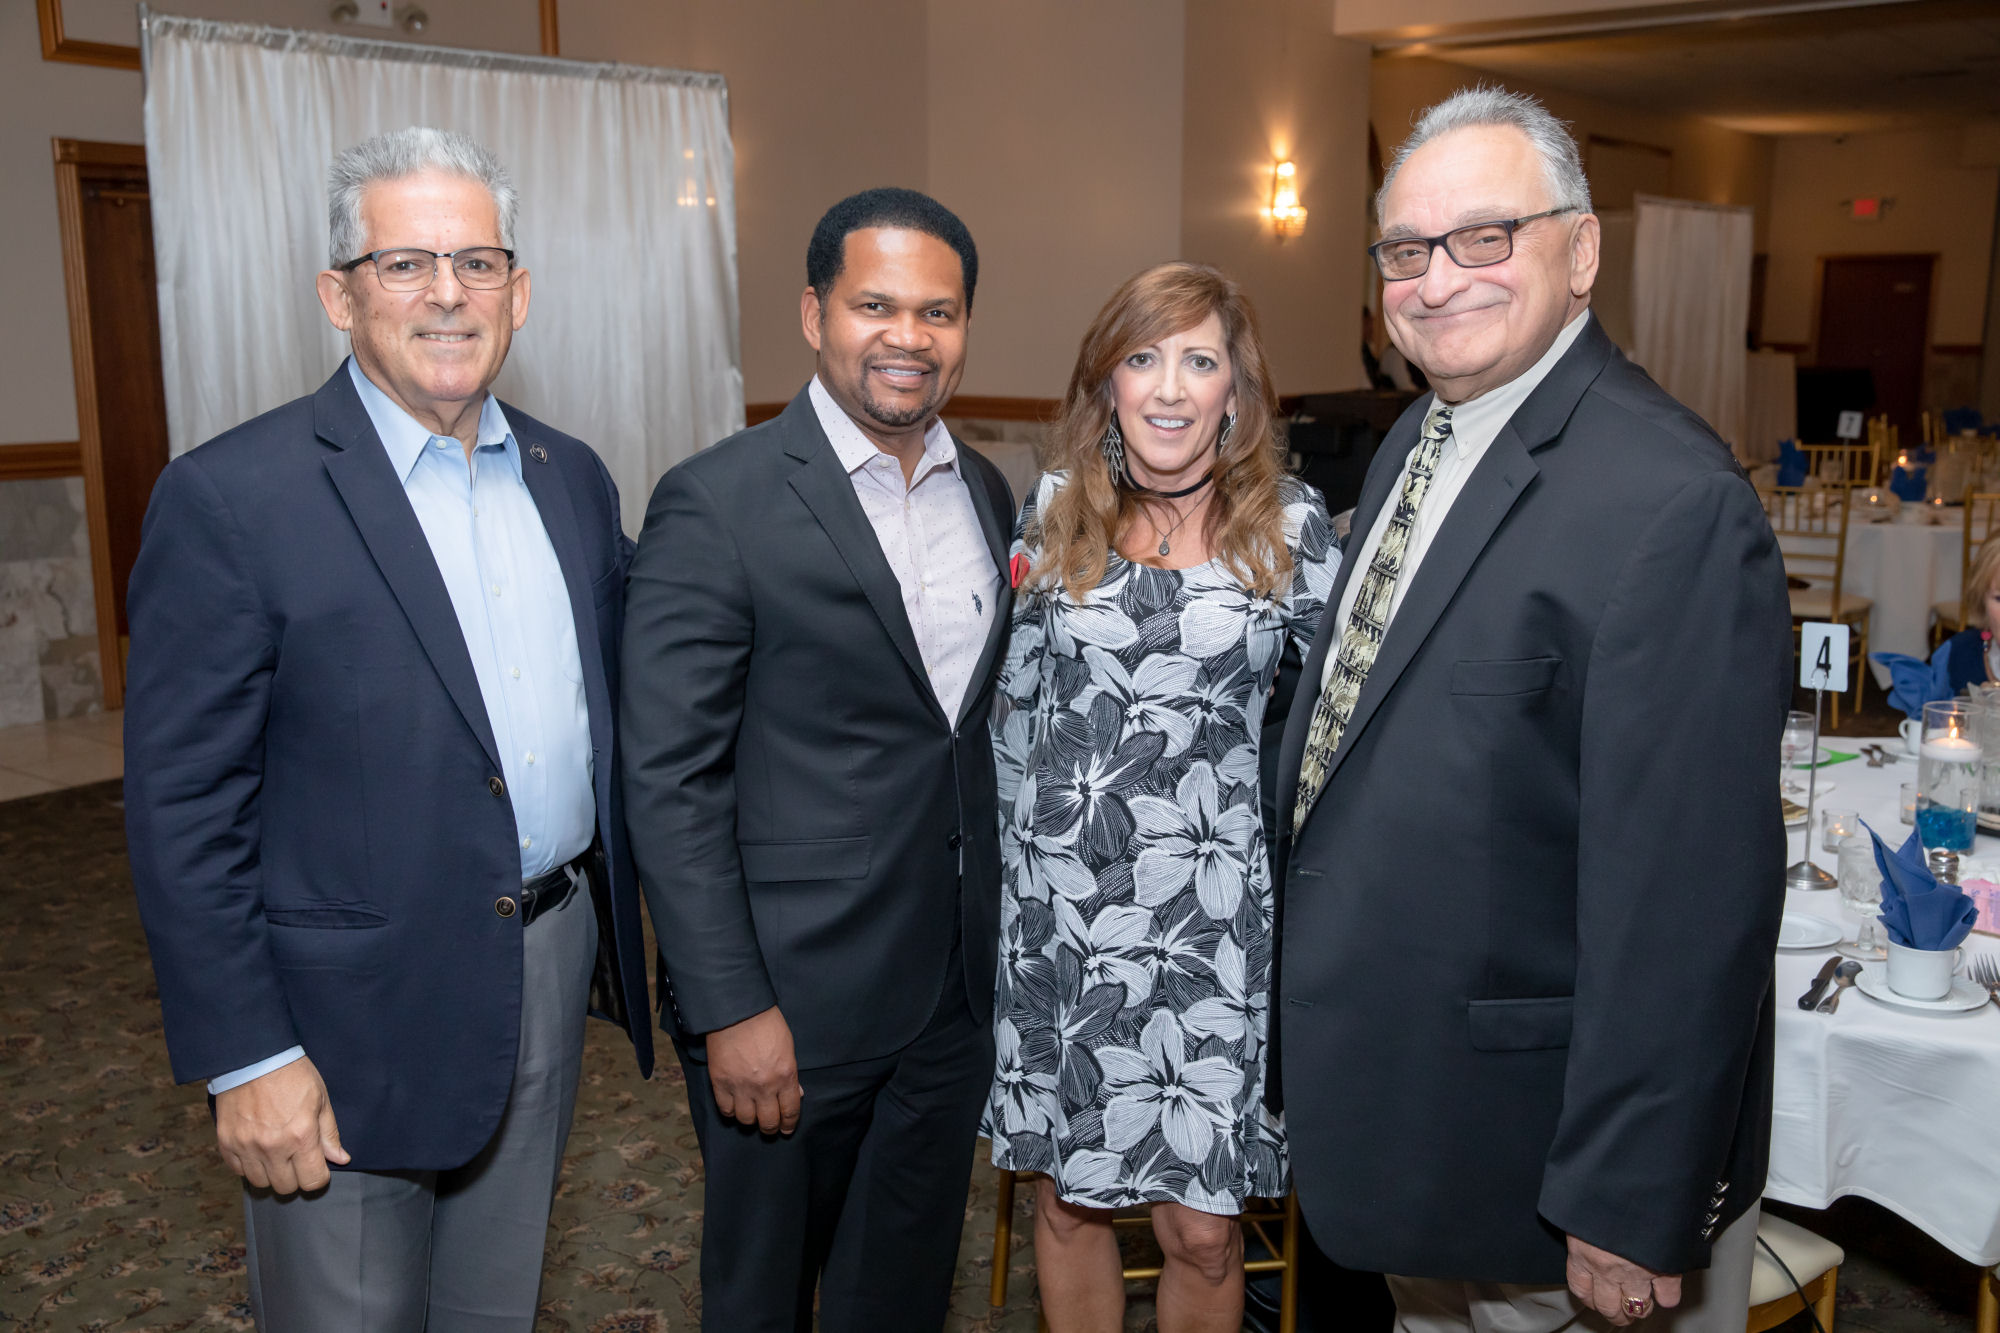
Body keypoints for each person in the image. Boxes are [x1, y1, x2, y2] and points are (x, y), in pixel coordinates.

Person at [1273, 87, 1791, 1333]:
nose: (1437, 280)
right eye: (1406, 250)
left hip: (1547, 1165)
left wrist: (1627, 1189)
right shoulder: (1416, 437)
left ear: (1582, 250)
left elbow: (1687, 897)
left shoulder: (1669, 500)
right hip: (1413, 1110)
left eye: (1484, 236)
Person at [123, 127, 653, 1331]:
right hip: (341, 1022)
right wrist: (248, 1054)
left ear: (518, 291)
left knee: (494, 1307)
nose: (447, 294)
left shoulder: (570, 477)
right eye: (405, 263)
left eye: (477, 262)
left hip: (545, 961)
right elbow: (183, 806)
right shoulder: (233, 497)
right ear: (339, 295)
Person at [620, 187, 1014, 1333]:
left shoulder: (987, 492)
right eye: (874, 305)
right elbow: (671, 779)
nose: (908, 337)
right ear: (813, 314)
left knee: (900, 1295)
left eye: (937, 312)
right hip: (786, 1005)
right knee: (761, 1298)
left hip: (949, 998)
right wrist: (729, 1005)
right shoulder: (717, 501)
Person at [988, 262, 1339, 1332]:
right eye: (1143, 358)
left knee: (1203, 1229)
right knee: (1067, 1203)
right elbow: (1013, 709)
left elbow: (1344, 727)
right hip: (1063, 919)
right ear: (1109, 382)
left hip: (1211, 925)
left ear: (1236, 388)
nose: (1170, 387)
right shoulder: (1055, 509)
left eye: (1198, 360)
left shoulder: (1289, 526)